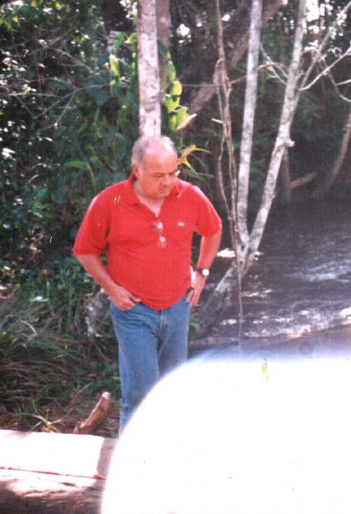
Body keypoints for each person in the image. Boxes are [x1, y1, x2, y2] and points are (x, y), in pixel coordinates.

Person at [73, 135, 222, 431]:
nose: (167, 182)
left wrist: (202, 272)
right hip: (134, 312)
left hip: (179, 307)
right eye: (158, 175)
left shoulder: (190, 195)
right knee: (142, 395)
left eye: (172, 173)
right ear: (136, 170)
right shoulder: (109, 202)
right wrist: (112, 289)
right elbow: (85, 251)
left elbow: (213, 229)